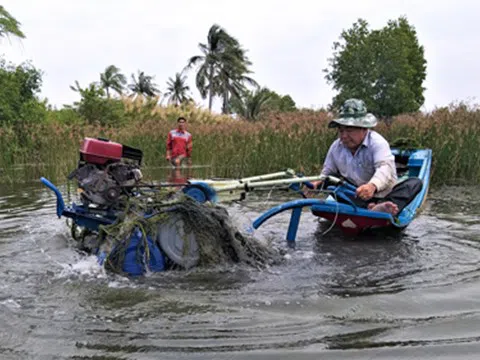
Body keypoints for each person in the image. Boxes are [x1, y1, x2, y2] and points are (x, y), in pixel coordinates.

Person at [309, 98, 422, 216]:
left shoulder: (377, 143)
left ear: (364, 129)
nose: (344, 136)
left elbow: (384, 168)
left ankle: (382, 207)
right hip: (356, 196)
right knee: (330, 180)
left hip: (384, 195)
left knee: (415, 183)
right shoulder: (336, 147)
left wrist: (372, 186)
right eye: (341, 131)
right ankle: (367, 208)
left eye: (349, 130)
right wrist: (316, 183)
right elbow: (327, 172)